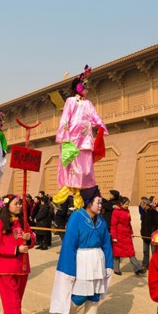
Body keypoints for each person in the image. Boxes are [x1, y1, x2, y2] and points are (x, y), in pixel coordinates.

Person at [50, 186, 113, 314]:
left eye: (101, 202)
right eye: (98, 202)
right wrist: (69, 268)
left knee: (95, 295)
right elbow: (69, 245)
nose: (100, 205)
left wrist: (109, 263)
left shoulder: (102, 221)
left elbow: (106, 243)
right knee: (80, 295)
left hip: (98, 260)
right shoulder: (77, 217)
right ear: (88, 203)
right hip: (82, 260)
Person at [53, 65, 109, 209]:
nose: (88, 89)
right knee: (75, 169)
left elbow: (95, 116)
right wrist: (64, 137)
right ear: (78, 87)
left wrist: (101, 126)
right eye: (85, 86)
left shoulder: (88, 103)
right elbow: (65, 118)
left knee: (86, 170)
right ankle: (64, 198)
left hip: (85, 140)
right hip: (73, 139)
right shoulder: (70, 101)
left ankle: (80, 200)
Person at [0, 194, 36, 314]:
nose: (19, 206)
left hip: (22, 268)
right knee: (14, 305)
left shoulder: (22, 222)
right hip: (6, 269)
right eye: (16, 203)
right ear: (7, 205)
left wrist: (29, 239)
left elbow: (32, 239)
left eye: (19, 203)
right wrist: (16, 250)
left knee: (13, 306)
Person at [110, 197, 144, 276]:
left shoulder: (127, 211)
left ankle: (137, 268)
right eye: (126, 204)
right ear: (121, 204)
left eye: (128, 204)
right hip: (118, 235)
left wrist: (131, 232)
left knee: (131, 252)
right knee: (117, 253)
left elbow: (129, 223)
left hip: (126, 235)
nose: (127, 205)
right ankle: (116, 269)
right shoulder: (116, 212)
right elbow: (113, 225)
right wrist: (114, 236)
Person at [139, 197, 158, 270]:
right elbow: (143, 223)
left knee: (154, 252)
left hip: (152, 236)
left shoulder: (154, 212)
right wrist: (142, 232)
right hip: (145, 235)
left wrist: (155, 233)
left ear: (146, 204)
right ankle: (145, 264)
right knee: (145, 251)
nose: (141, 205)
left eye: (142, 203)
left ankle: (155, 265)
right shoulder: (143, 212)